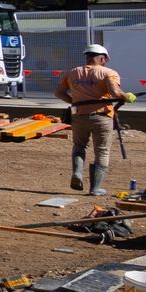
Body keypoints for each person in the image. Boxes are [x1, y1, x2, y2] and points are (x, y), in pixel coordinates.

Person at [56, 43, 135, 196]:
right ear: (102, 58)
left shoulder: (72, 73)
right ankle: (95, 188)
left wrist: (74, 102)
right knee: (102, 152)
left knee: (79, 145)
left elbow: (59, 93)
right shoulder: (108, 72)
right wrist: (127, 97)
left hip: (78, 115)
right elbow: (115, 92)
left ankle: (77, 173)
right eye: (105, 59)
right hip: (101, 117)